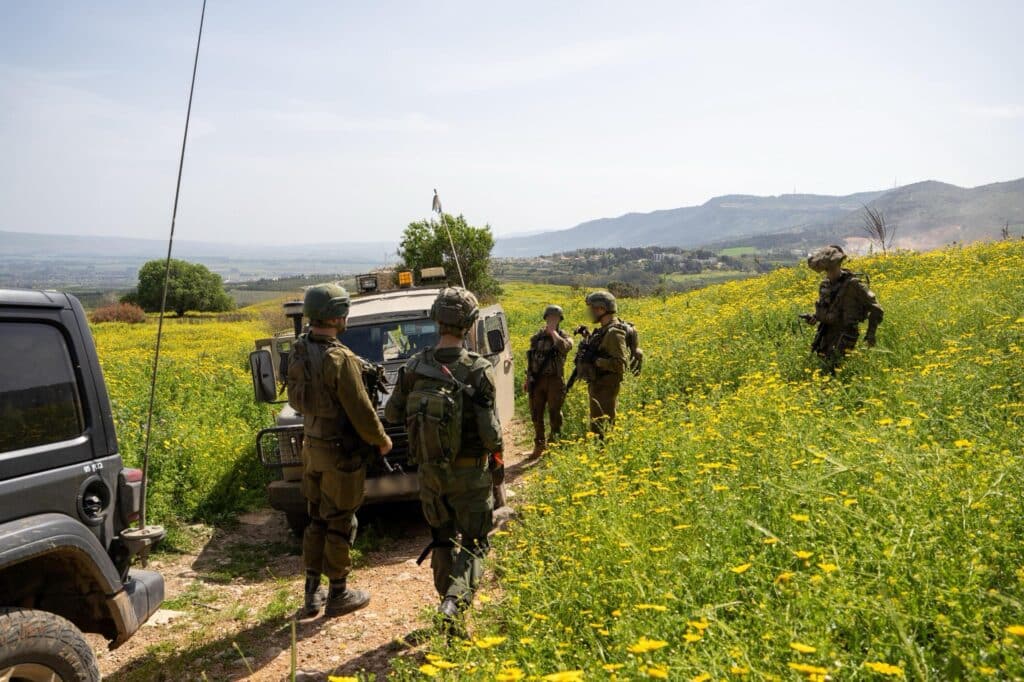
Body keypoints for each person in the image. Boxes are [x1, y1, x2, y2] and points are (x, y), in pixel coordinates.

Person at [384, 287, 503, 630]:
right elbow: (492, 436)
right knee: (476, 543)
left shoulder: (414, 366)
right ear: (469, 323)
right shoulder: (478, 369)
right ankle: (453, 604)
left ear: (436, 319)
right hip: (469, 475)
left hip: (430, 474)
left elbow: (392, 414)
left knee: (441, 540)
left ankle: (447, 610)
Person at [286, 283, 393, 618]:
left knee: (316, 519)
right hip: (339, 453)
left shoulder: (300, 349)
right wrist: (381, 440)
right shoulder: (340, 358)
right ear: (335, 317)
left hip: (312, 449)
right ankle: (339, 593)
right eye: (344, 312)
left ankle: (311, 592)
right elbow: (361, 410)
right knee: (340, 521)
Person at [802, 245, 884, 371]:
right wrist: (814, 317)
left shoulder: (854, 285)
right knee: (823, 367)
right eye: (827, 270)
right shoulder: (825, 285)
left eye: (832, 269)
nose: (829, 273)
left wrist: (870, 334)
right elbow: (826, 308)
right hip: (826, 333)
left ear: (839, 265)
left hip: (845, 334)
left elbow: (876, 308)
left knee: (837, 368)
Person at [524, 304, 574, 457]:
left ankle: (554, 446)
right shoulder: (537, 337)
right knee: (536, 414)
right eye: (550, 317)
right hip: (537, 380)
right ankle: (539, 446)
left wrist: (553, 333)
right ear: (546, 318)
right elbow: (531, 359)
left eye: (555, 318)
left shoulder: (564, 336)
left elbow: (565, 347)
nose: (552, 320)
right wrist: (527, 379)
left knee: (555, 414)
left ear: (560, 320)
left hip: (555, 381)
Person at [577, 291, 628, 436]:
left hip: (606, 387)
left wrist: (596, 360)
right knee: (597, 426)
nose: (590, 312)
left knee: (604, 429)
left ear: (601, 309)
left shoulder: (614, 332)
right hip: (598, 386)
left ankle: (605, 449)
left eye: (592, 308)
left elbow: (620, 364)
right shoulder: (604, 330)